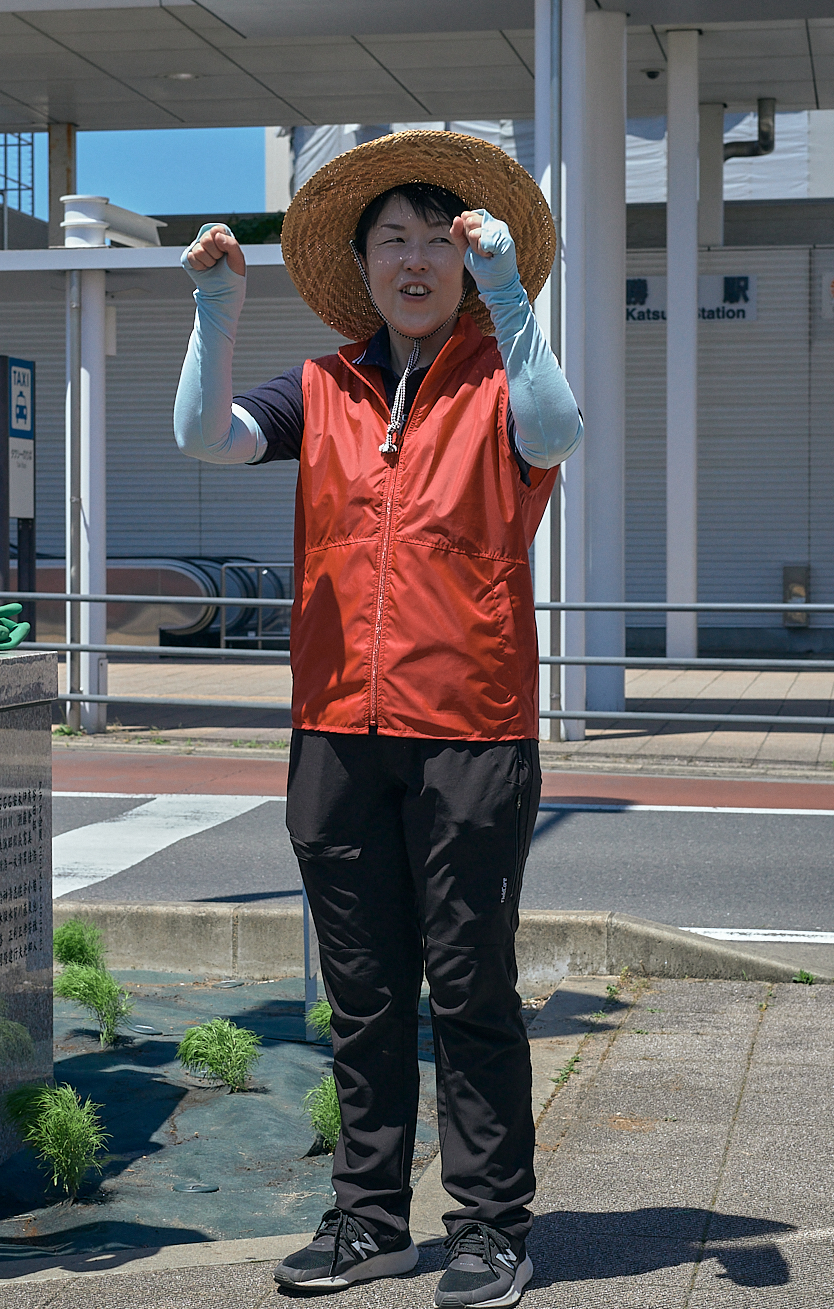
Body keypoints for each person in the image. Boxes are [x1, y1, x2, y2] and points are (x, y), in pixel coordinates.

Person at [174, 130, 582, 1309]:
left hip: (472, 728)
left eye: (434, 242)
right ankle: (367, 1222)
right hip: (335, 732)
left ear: (467, 262)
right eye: (389, 240)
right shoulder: (318, 388)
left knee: (467, 985)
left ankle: (492, 1226)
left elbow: (554, 437)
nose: (412, 261)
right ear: (361, 263)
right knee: (360, 992)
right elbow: (204, 437)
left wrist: (509, 296)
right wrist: (213, 311)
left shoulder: (507, 376)